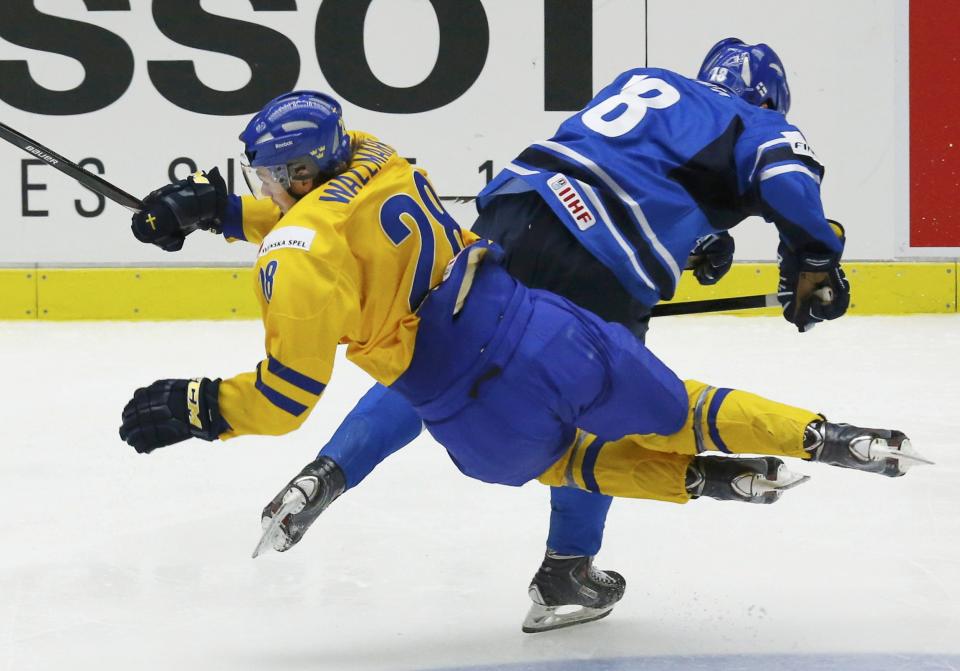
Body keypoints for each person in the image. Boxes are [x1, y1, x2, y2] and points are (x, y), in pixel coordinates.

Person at [118, 82, 925, 632]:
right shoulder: (369, 152)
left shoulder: (650, 86)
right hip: (576, 287)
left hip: (511, 221)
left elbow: (326, 237)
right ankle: (567, 571)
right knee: (631, 412)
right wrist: (816, 260)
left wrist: (221, 209)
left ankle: (325, 473)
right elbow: (782, 185)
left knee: (453, 352)